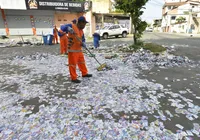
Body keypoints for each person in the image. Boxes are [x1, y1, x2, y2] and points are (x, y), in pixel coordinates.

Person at [60, 16, 92, 83]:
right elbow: (62, 27)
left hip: (79, 49)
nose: (84, 25)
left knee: (82, 62)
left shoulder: (81, 30)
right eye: (84, 24)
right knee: (72, 64)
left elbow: (82, 38)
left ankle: (84, 73)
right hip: (72, 49)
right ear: (80, 22)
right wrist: (68, 28)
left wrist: (83, 43)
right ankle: (73, 78)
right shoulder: (72, 26)